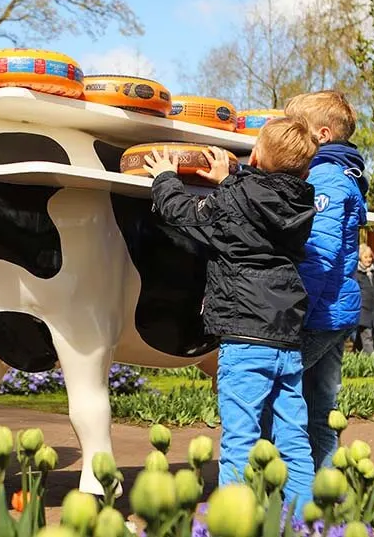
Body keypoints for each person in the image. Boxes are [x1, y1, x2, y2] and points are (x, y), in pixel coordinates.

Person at [145, 117, 318, 510]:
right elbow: (256, 215)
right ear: (305, 169)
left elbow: (182, 213)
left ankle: (232, 520)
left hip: (244, 337)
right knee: (292, 438)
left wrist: (165, 178)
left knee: (240, 439)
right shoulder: (301, 203)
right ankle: (308, 522)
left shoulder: (237, 199)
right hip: (286, 338)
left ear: (254, 154)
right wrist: (228, 183)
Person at [286, 90, 367, 471]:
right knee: (320, 403)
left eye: (294, 128)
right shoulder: (342, 174)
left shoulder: (325, 178)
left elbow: (321, 249)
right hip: (335, 309)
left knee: (280, 392)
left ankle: (286, 488)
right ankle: (325, 491)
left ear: (320, 135)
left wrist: (297, 310)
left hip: (320, 311)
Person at [353, 244, 374, 355]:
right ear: (360, 257)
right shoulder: (357, 273)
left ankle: (356, 355)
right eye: (366, 257)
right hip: (363, 309)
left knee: (363, 338)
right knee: (367, 336)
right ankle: (371, 360)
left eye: (370, 257)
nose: (369, 260)